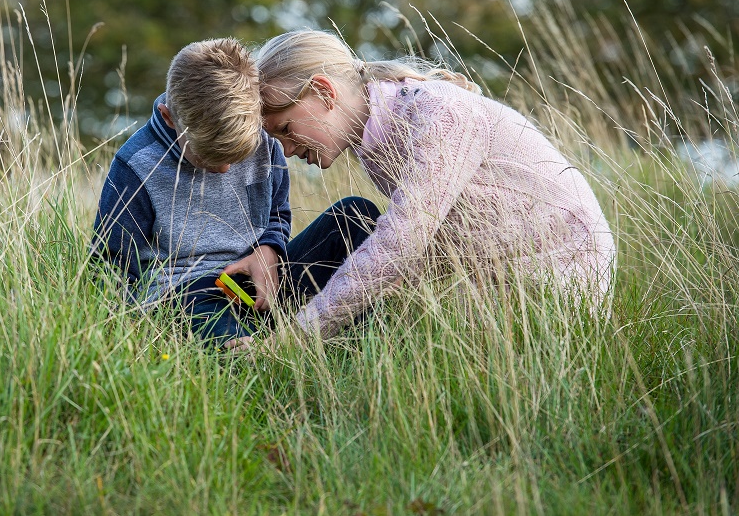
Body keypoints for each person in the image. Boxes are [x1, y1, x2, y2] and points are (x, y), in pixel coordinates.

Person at [246, 29, 616, 343]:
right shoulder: (375, 142)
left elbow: (401, 243)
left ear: (325, 93)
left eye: (285, 129)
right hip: (495, 286)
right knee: (353, 228)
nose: (287, 150)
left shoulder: (439, 113)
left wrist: (296, 339)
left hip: (560, 281)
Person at [92, 37, 380, 347]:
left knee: (356, 217)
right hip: (188, 296)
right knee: (232, 347)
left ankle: (363, 346)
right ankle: (256, 352)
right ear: (169, 118)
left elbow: (276, 214)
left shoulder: (264, 139)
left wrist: (269, 249)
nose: (225, 169)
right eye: (209, 157)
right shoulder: (137, 164)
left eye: (237, 156)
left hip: (263, 283)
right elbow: (111, 264)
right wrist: (123, 328)